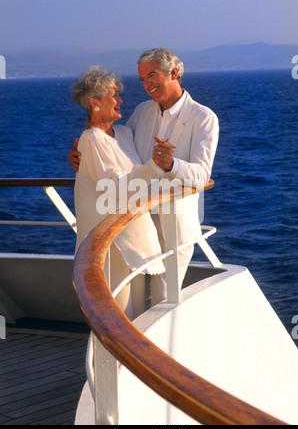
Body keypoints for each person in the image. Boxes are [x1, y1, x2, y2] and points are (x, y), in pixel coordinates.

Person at [69, 48, 219, 305]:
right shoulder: (142, 112)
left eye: (152, 75)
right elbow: (113, 147)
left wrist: (170, 164)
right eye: (142, 79)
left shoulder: (203, 118)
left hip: (175, 226)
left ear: (173, 73)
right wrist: (79, 152)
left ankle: (156, 347)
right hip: (139, 224)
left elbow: (202, 175)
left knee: (164, 302)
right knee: (133, 304)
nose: (147, 84)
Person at [71, 65, 167, 319]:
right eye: (114, 96)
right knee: (117, 315)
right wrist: (155, 167)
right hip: (112, 245)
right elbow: (115, 187)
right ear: (95, 103)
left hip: (133, 239)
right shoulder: (91, 139)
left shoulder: (123, 133)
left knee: (134, 314)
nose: (120, 100)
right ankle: (113, 361)